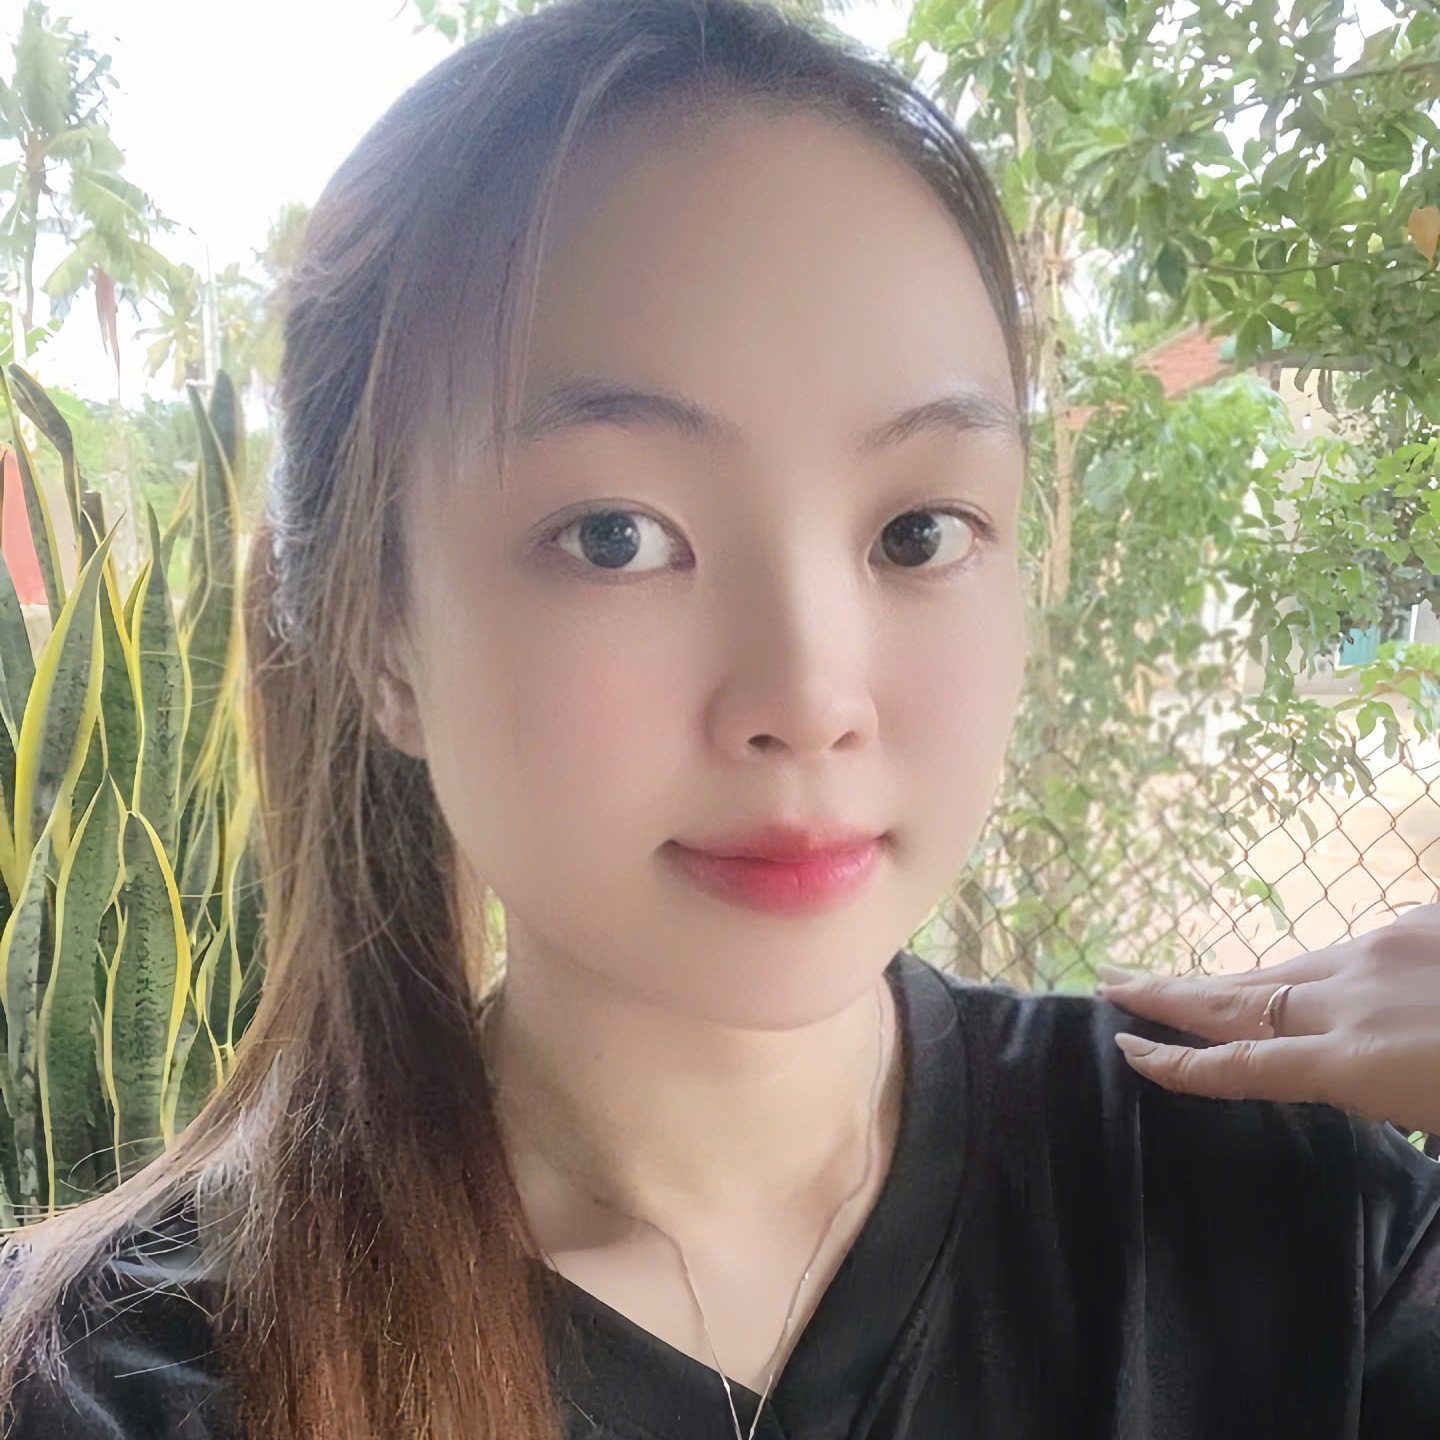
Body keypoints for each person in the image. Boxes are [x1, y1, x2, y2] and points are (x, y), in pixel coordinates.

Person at [0, 1, 1437, 1436]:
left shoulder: (1300, 1229)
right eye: (615, 536)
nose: (809, 700)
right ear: (381, 633)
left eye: (920, 533)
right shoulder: (128, 1387)